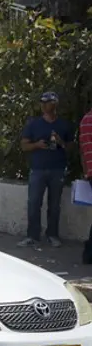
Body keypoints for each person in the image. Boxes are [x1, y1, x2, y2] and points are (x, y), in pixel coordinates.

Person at [18, 91, 75, 248]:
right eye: (42, 102)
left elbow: (71, 147)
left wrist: (61, 142)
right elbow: (24, 145)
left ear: (55, 104)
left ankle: (52, 235)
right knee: (34, 203)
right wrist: (37, 145)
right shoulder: (34, 124)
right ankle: (32, 236)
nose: (44, 105)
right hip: (38, 169)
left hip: (58, 169)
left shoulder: (64, 125)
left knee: (55, 204)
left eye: (47, 102)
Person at [80, 106, 92, 263]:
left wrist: (86, 172)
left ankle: (89, 255)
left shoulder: (85, 120)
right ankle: (88, 254)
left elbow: (83, 150)